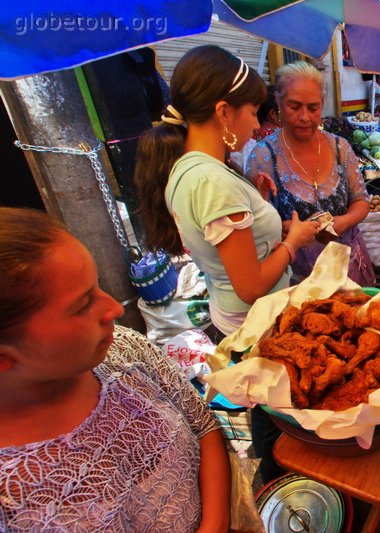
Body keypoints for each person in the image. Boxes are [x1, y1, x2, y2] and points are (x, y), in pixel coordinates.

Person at [0, 208, 230, 532]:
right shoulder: (12, 498)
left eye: (96, 286)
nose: (114, 308)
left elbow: (203, 426)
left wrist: (215, 523)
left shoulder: (120, 349)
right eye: (82, 305)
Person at [134, 45, 319, 336]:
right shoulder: (213, 182)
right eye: (254, 113)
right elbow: (251, 287)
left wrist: (255, 204)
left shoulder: (189, 168)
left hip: (236, 317)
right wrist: (293, 242)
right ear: (223, 112)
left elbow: (228, 247)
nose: (257, 125)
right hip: (255, 327)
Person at [247, 61, 376, 286]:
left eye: (313, 108)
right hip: (299, 278)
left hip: (350, 268)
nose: (305, 117)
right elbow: (256, 225)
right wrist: (288, 229)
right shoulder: (263, 157)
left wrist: (343, 222)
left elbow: (361, 201)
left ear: (322, 105)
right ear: (278, 103)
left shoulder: (340, 147)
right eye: (294, 107)